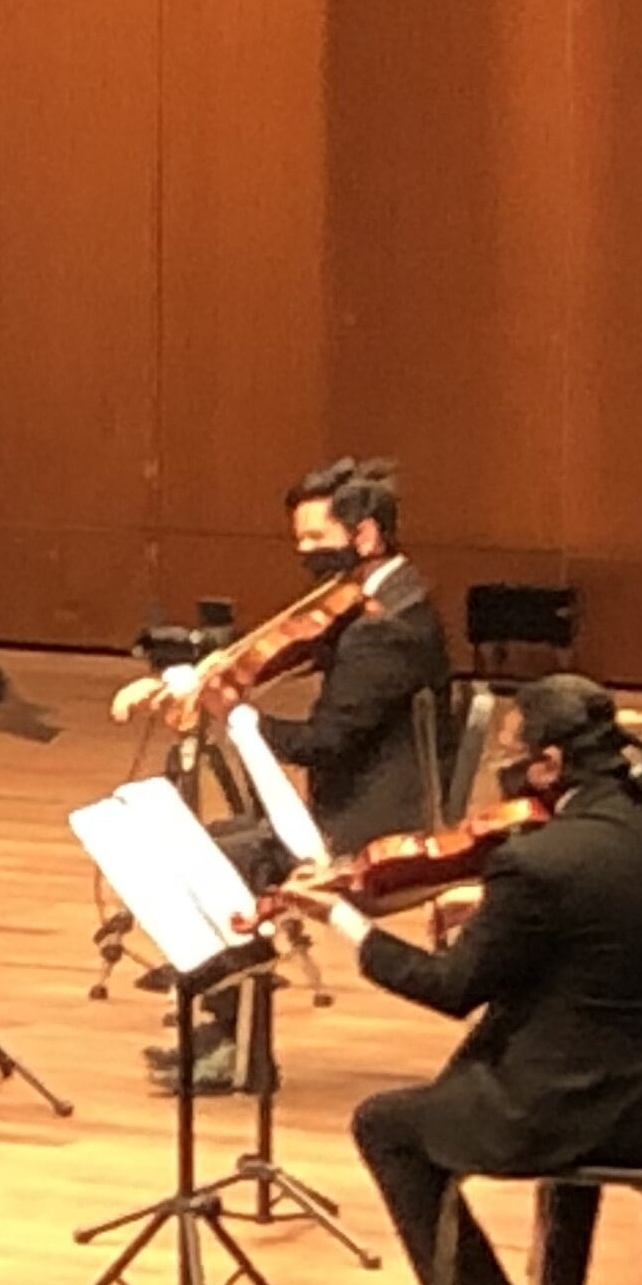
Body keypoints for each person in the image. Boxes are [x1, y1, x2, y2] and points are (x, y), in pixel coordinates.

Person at [305, 675, 642, 1285]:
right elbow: (606, 920)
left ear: (549, 766)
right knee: (552, 1093)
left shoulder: (539, 862)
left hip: (572, 1109)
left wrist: (345, 922)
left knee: (386, 1125)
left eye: (512, 751)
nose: (502, 767)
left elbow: (453, 989)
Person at [114, 455, 453, 1087]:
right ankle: (227, 1026)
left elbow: (323, 743)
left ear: (367, 536)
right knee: (211, 847)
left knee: (215, 861)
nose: (304, 553)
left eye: (317, 539)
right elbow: (277, 647)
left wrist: (238, 714)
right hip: (359, 801)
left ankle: (239, 1046)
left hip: (373, 826)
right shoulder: (381, 598)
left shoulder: (387, 632)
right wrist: (186, 677)